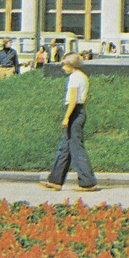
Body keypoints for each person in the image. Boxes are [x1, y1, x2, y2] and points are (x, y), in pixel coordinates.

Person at [39, 52, 99, 193]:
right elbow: (84, 99)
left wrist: (66, 117)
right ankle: (55, 181)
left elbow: (73, 100)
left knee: (76, 148)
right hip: (79, 111)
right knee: (64, 148)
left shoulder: (74, 78)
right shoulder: (83, 76)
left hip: (73, 112)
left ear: (71, 65)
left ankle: (88, 182)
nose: (63, 68)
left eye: (64, 65)